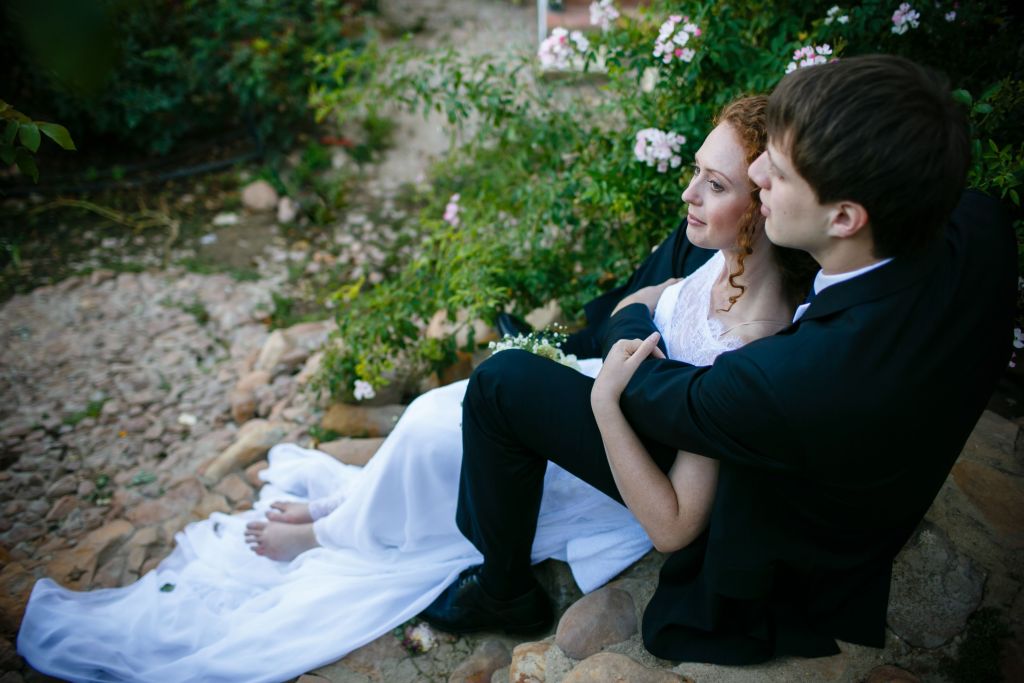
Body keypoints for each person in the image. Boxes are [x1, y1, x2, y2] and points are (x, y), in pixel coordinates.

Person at [16, 96, 811, 682]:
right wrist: (647, 311)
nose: (688, 197)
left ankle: (340, 538)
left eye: (713, 186)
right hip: (601, 399)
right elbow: (655, 302)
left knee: (450, 426)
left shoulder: (753, 340)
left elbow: (675, 522)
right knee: (439, 415)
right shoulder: (718, 256)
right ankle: (347, 512)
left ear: (759, 211)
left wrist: (604, 399)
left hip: (617, 453)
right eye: (696, 175)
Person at [424, 54, 1016, 665]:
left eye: (777, 175)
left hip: (769, 518)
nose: (757, 170)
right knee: (692, 240)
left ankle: (504, 589)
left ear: (843, 217)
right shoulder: (978, 223)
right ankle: (577, 335)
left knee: (502, 381)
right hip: (787, 402)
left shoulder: (790, 372)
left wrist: (631, 318)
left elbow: (662, 403)